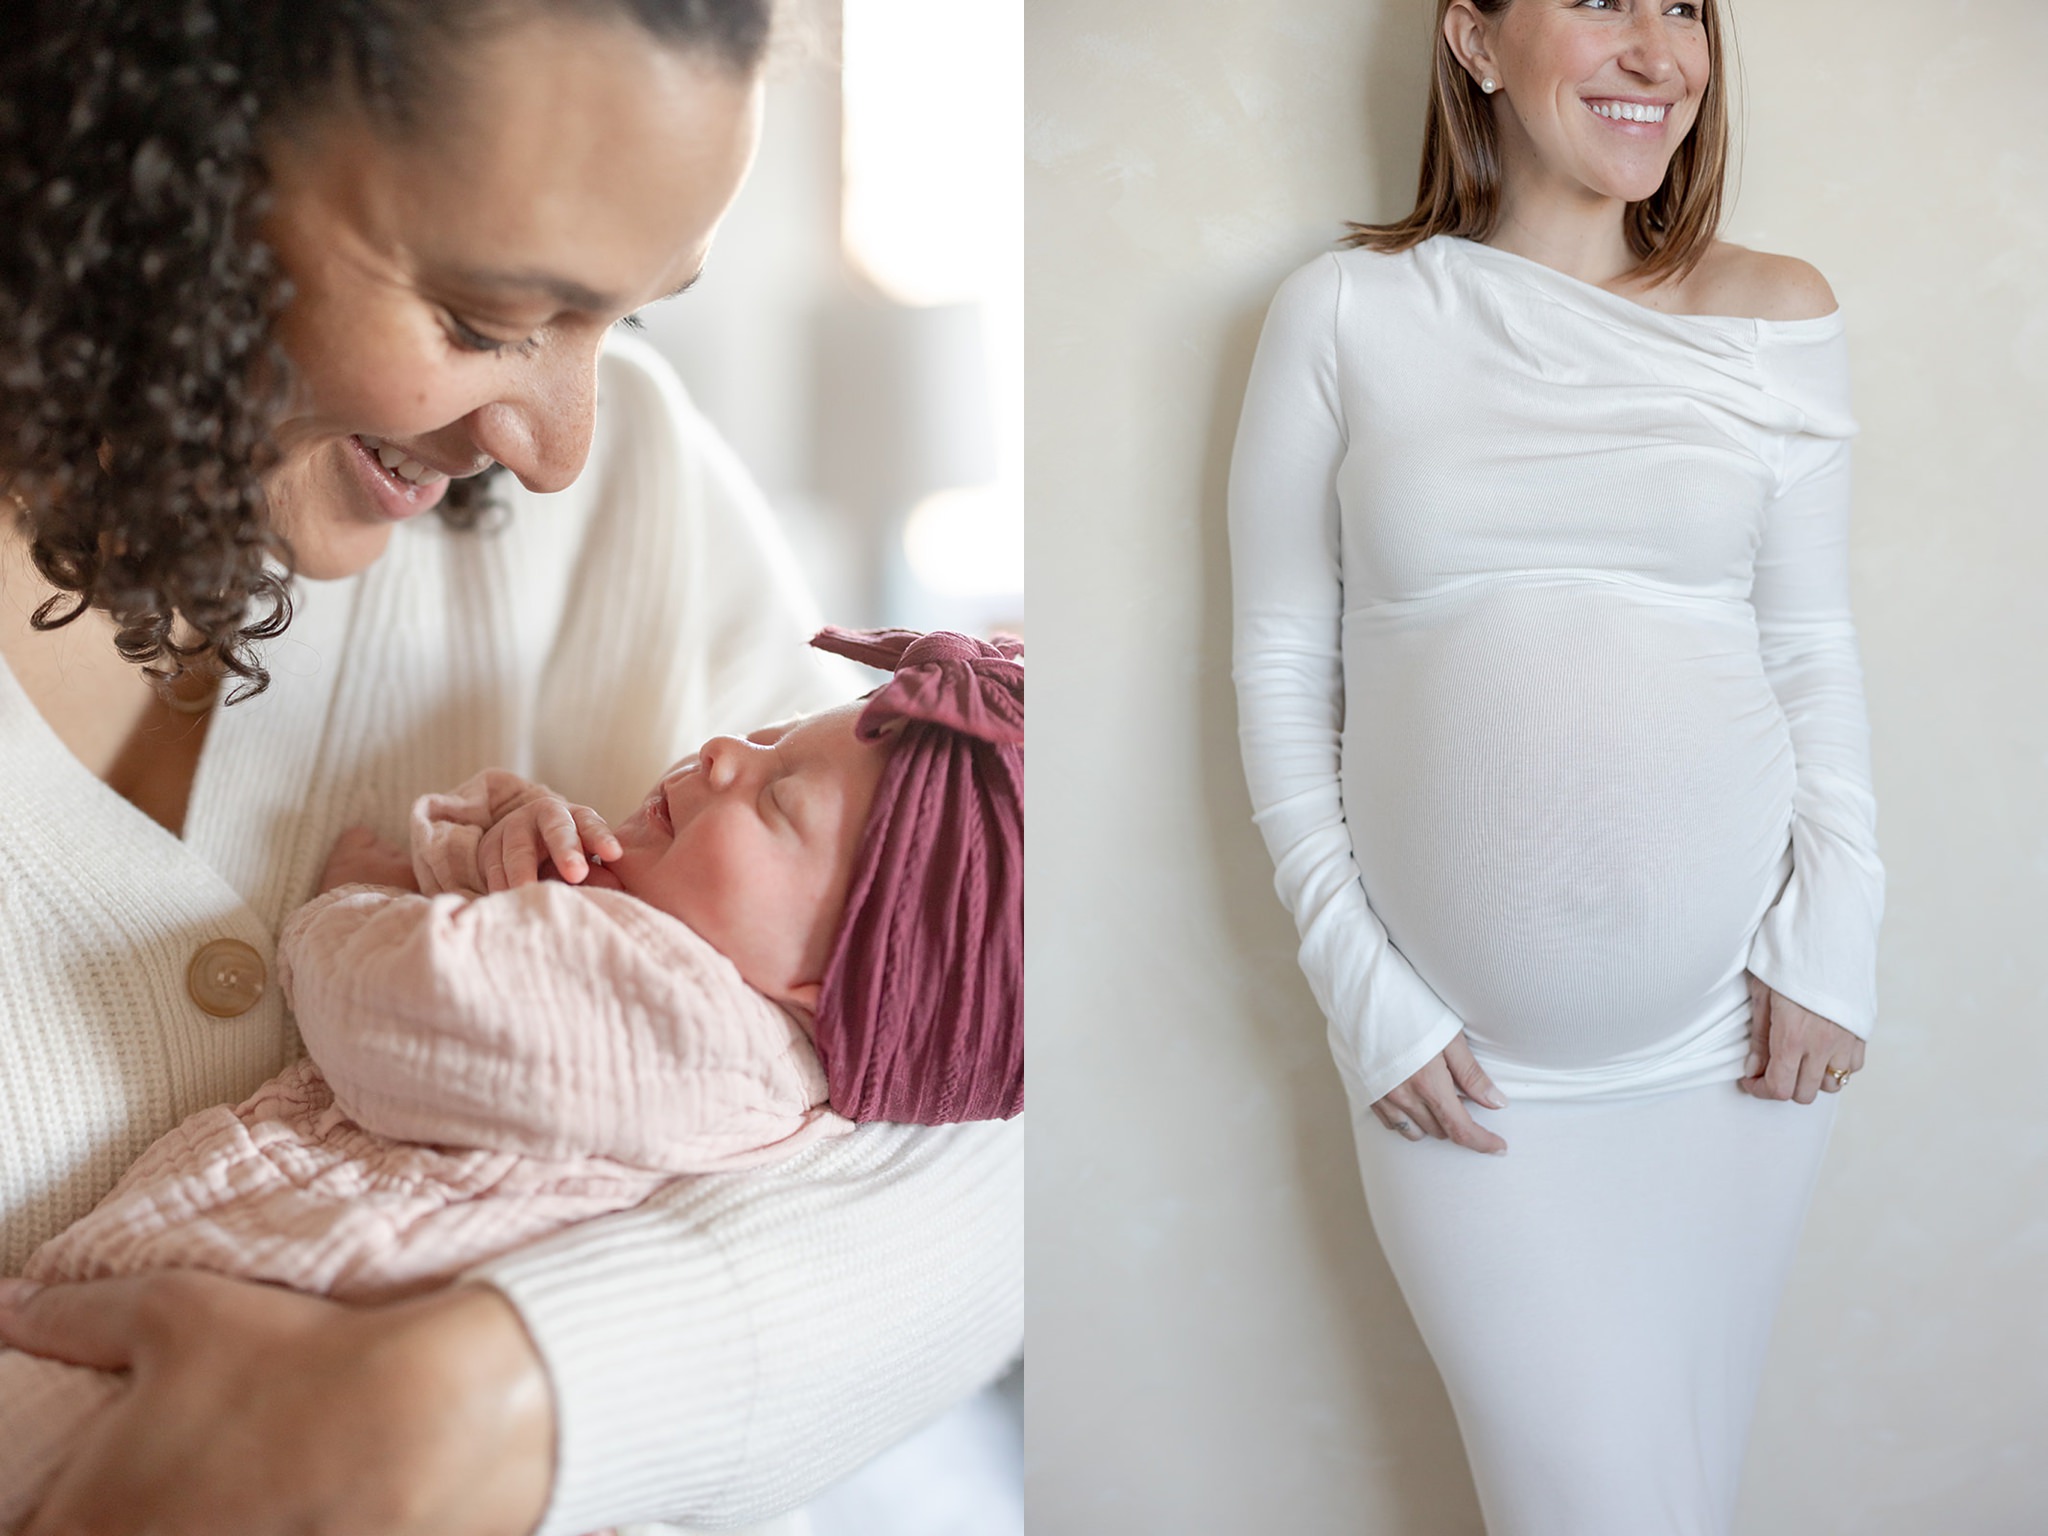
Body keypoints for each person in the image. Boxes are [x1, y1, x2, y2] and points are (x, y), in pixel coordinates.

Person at [0, 4, 1021, 1533]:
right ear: (160, 155)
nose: (558, 445)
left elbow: (993, 1091)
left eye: (633, 318)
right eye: (484, 318)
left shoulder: (618, 495)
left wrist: (493, 1401)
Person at [1228, 1, 1881, 1530]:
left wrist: (1840, 931)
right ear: (1472, 37)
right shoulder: (1344, 312)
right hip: (1467, 1077)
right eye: (1604, 1)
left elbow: (1811, 645)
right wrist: (1361, 991)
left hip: (1743, 1048)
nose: (1658, 53)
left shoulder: (1777, 310)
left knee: (1687, 1492)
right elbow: (1275, 668)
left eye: (1684, 9)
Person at [0, 627, 1025, 1527]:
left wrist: (353, 905)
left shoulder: (678, 1006)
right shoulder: (722, 1028)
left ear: (830, 978)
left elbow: (424, 1001)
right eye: (767, 734)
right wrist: (507, 843)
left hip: (212, 1377)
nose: (722, 754)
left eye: (776, 800)